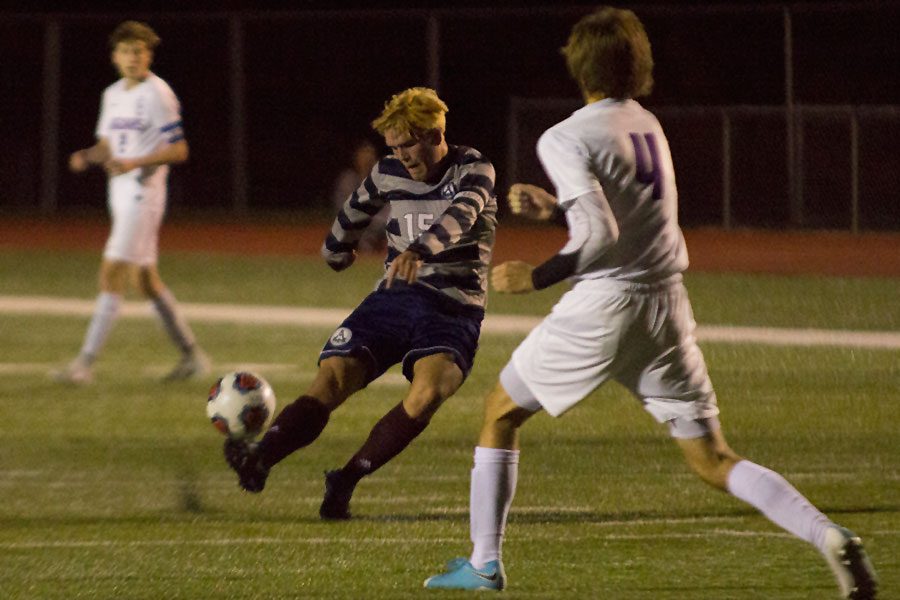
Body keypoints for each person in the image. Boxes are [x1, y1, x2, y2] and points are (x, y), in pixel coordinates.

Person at [423, 8, 878, 599]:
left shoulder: (563, 135)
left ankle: (484, 565)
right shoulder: (647, 123)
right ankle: (829, 536)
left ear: (577, 64)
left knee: (500, 411)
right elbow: (629, 215)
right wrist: (557, 207)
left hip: (607, 304)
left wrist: (535, 278)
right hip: (667, 303)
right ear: (637, 66)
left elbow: (601, 237)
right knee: (714, 458)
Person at [223, 87, 498, 521]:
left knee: (426, 395)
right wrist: (336, 250)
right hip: (394, 298)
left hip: (453, 309)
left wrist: (420, 250)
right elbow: (353, 211)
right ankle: (261, 457)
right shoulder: (388, 171)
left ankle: (345, 479)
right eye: (393, 146)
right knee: (332, 379)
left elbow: (461, 216)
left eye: (407, 143)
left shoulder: (473, 168)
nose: (400, 155)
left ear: (434, 132)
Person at [52, 20, 210, 385]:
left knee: (111, 273)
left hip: (144, 195)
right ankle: (192, 356)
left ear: (149, 55)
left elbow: (180, 149)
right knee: (146, 281)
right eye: (126, 51)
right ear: (114, 57)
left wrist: (134, 163)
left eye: (139, 51)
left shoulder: (158, 93)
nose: (132, 57)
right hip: (119, 195)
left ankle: (83, 365)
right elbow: (109, 144)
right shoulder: (112, 95)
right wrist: (89, 156)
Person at [330, 139, 387, 253]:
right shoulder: (348, 180)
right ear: (356, 158)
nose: (367, 159)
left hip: (378, 226)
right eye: (363, 155)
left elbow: (389, 210)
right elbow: (342, 207)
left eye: (369, 155)